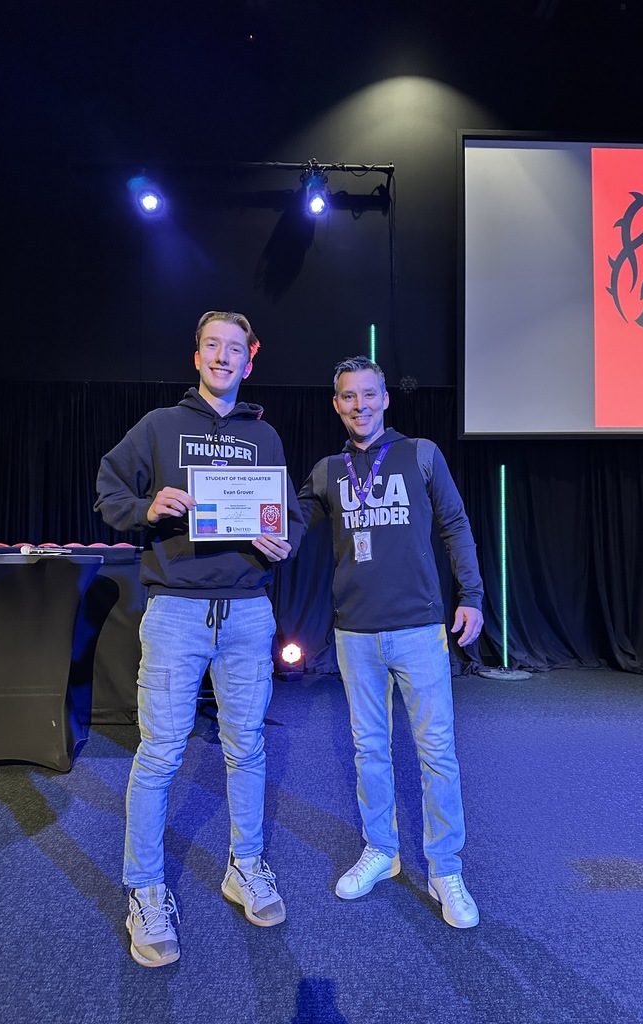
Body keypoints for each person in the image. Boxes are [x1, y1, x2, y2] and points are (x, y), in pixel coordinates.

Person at [95, 310, 303, 967]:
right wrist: (145, 508)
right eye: (211, 346)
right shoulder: (160, 427)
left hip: (246, 612)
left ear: (251, 358)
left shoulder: (264, 438)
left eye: (233, 348)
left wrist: (282, 542)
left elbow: (288, 517)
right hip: (178, 613)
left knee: (246, 746)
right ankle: (145, 890)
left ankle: (245, 865)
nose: (222, 357)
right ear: (197, 357)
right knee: (158, 754)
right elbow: (108, 491)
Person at [297, 355, 484, 928]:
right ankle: (382, 850)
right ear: (337, 405)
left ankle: (445, 867)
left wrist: (471, 595)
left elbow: (455, 525)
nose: (360, 405)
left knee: (437, 754)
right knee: (369, 750)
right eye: (349, 396)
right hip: (354, 632)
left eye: (370, 394)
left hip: (420, 629)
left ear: (386, 398)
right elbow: (284, 521)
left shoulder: (421, 454)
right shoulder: (328, 471)